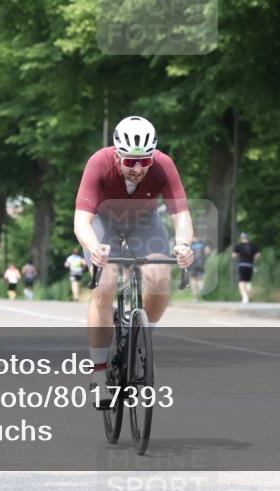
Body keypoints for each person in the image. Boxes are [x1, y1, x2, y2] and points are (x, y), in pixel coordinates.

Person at [74, 115, 194, 409]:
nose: (138, 168)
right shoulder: (98, 163)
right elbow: (81, 221)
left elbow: (181, 216)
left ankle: (142, 339)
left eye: (144, 161)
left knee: (160, 276)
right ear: (117, 155)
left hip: (144, 221)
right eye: (130, 162)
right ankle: (99, 373)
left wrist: (183, 245)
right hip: (105, 222)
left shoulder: (164, 164)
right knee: (104, 286)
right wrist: (93, 248)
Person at [231, 232, 260, 304]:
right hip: (250, 265)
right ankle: (248, 296)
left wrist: (237, 255)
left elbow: (233, 256)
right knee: (248, 281)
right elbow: (258, 254)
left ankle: (245, 297)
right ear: (247, 237)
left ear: (242, 238)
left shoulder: (239, 245)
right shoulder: (253, 245)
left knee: (241, 282)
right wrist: (253, 259)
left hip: (242, 264)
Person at [188, 236, 211, 301]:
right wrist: (203, 257)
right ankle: (201, 295)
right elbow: (208, 251)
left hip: (192, 264)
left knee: (193, 280)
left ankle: (195, 298)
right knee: (200, 279)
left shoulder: (190, 244)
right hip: (201, 263)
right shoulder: (203, 243)